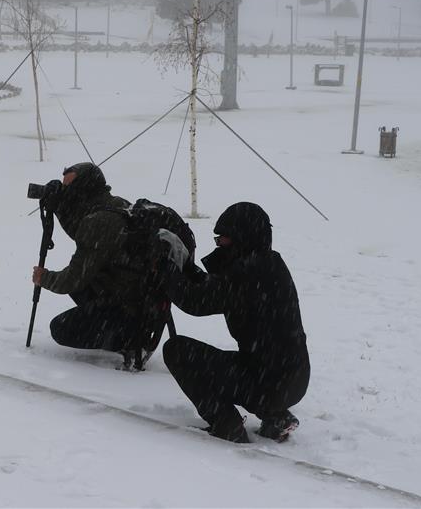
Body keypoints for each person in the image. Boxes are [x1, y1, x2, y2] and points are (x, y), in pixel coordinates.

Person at [161, 202, 310, 443]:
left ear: (243, 237)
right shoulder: (267, 264)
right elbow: (214, 287)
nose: (219, 245)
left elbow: (196, 302)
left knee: (177, 351)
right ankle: (275, 416)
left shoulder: (248, 272)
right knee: (238, 369)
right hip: (289, 378)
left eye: (224, 239)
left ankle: (226, 423)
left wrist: (167, 268)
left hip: (268, 380)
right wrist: (186, 267)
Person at [30, 163, 164, 368]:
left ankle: (126, 339)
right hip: (144, 302)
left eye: (68, 188)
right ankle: (121, 327)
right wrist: (60, 209)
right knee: (84, 285)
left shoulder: (99, 220)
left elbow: (72, 279)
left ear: (83, 189)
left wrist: (44, 278)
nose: (65, 192)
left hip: (131, 310)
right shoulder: (116, 204)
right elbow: (86, 236)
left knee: (60, 328)